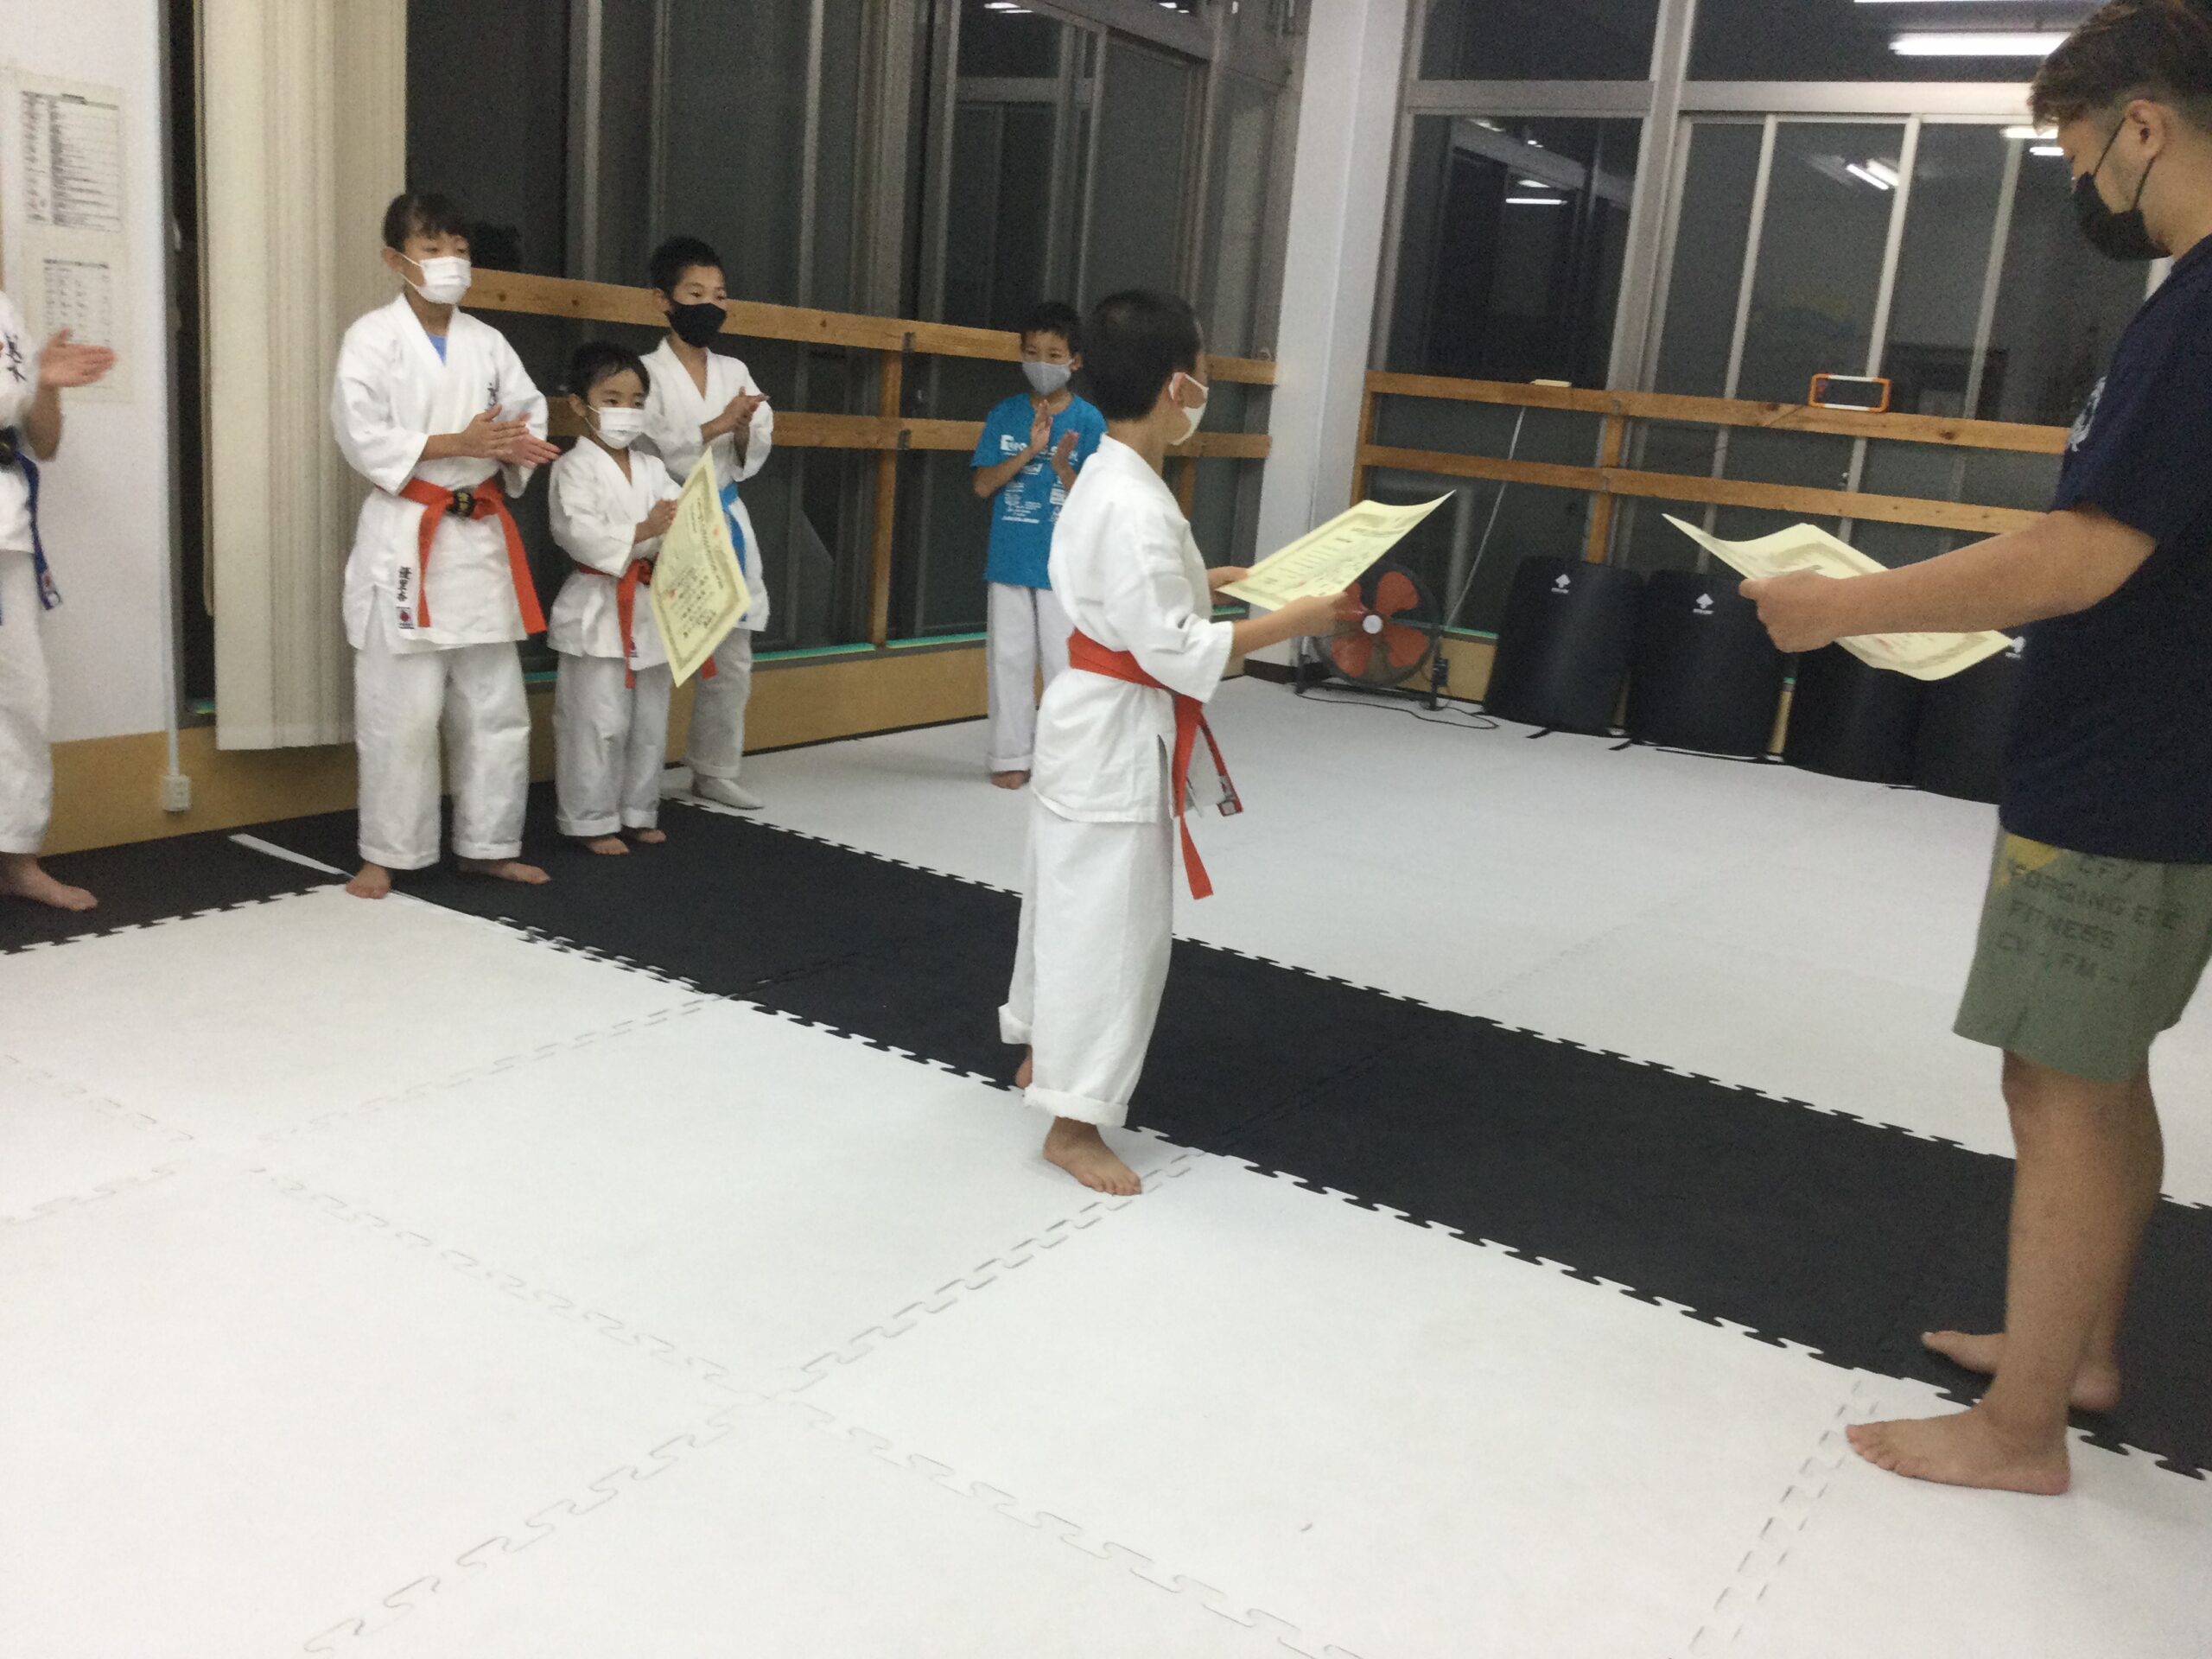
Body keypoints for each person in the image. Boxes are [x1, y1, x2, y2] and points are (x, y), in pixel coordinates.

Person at [1744, 0, 2212, 1496]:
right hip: (2153, 758)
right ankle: (2071, 1355)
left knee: (2059, 1083)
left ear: (2144, 126)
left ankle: (2022, 1433)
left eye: (2078, 154)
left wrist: (1842, 606)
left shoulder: (2201, 313)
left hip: (2132, 774)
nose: (2082, 188)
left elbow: (2083, 553)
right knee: (2100, 1073)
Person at [1000, 290, 1348, 1197]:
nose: (1203, 390)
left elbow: (1134, 599)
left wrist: (1212, 578)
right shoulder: (1135, 502)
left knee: (1063, 903)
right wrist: (1296, 621)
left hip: (1085, 719)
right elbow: (1175, 647)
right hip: (1114, 733)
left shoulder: (1106, 474)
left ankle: (1042, 1053)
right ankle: (1074, 1124)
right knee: (1114, 934)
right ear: (1177, 386)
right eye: (1201, 373)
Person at [331, 190, 561, 900]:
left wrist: (516, 445)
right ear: (395, 259)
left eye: (459, 249)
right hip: (409, 534)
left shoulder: (488, 343)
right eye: (432, 249)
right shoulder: (372, 338)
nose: (449, 262)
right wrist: (455, 442)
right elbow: (360, 433)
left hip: (479, 536)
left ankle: (489, 845)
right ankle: (388, 850)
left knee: (495, 707)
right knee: (400, 711)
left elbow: (526, 414)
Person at [637, 236, 772, 812]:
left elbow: (756, 445)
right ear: (663, 300)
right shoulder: (644, 374)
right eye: (695, 294)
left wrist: (741, 429)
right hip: (669, 519)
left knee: (732, 654)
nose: (710, 306)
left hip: (725, 513)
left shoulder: (735, 369)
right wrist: (717, 424)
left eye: (719, 295)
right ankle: (639, 778)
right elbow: (648, 448)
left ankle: (715, 767)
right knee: (658, 652)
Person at [0, 304, 116, 912]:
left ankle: (17, 861)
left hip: (8, 531)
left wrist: (45, 385)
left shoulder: (5, 314)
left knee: (22, 700)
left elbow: (43, 443)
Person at [548, 342, 682, 855]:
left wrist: (681, 533)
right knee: (595, 721)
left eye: (636, 401)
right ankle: (591, 819)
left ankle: (637, 810)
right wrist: (644, 529)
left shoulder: (652, 467)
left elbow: (682, 517)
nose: (626, 410)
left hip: (649, 602)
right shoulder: (572, 467)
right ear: (579, 404)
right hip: (598, 604)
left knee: (648, 722)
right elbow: (577, 532)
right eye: (612, 399)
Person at [972, 302, 1106, 788]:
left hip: (1063, 565)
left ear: (1076, 361)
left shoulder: (1090, 421)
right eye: (1032, 352)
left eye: (1054, 354)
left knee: (1063, 665)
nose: (1041, 363)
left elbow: (1098, 502)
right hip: (1009, 559)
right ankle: (1010, 756)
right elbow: (983, 486)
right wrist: (1030, 450)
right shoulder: (1005, 414)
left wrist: (1063, 468)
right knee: (1007, 660)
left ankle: (1063, 760)